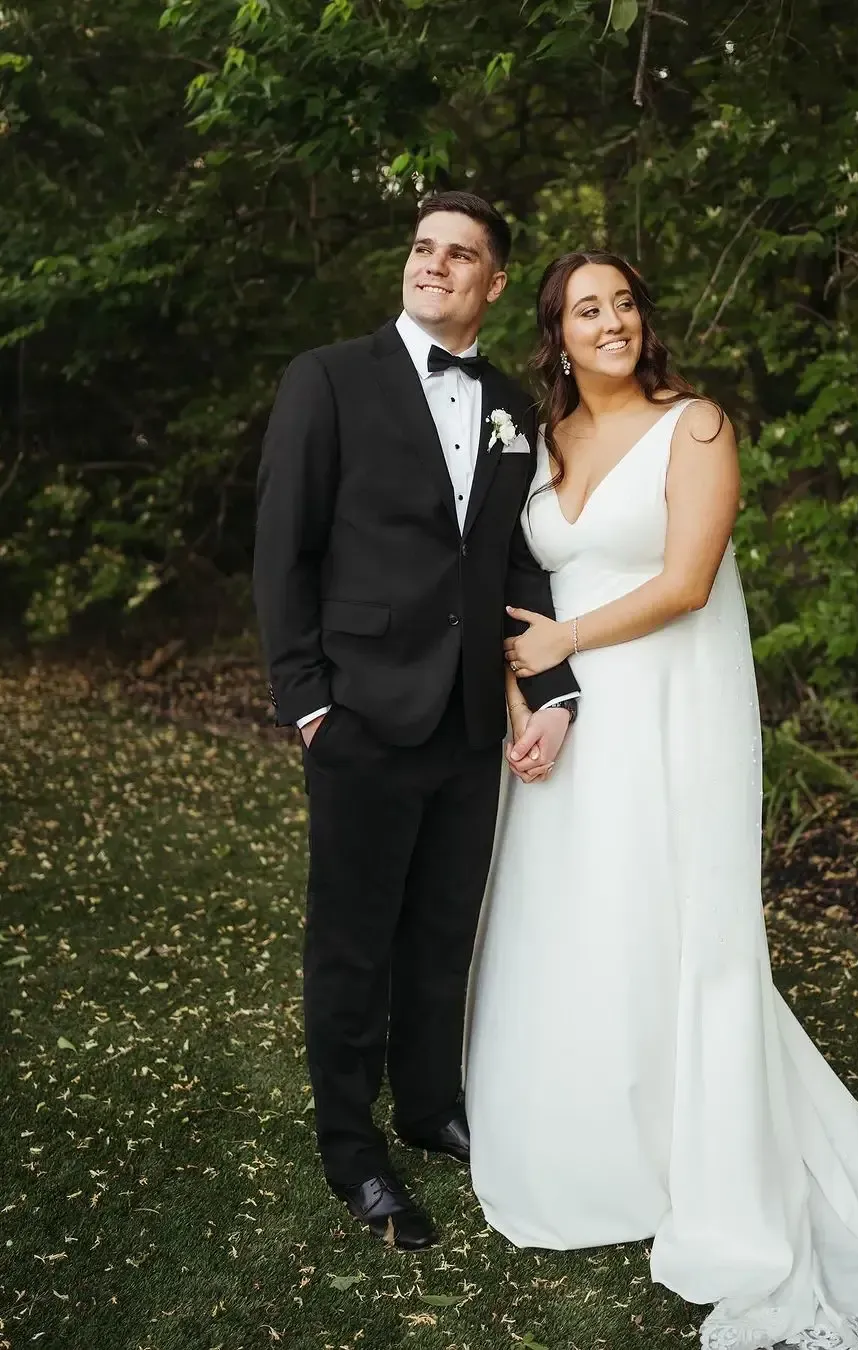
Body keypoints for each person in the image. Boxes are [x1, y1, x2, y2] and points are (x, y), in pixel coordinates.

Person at [465, 250, 858, 1348]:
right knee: (576, 925)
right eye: (586, 309)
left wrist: (568, 641)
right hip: (567, 724)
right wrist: (529, 696)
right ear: (555, 333)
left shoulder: (695, 425)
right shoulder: (542, 440)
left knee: (671, 926)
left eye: (626, 304)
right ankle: (591, 1150)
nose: (612, 321)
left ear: (645, 321)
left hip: (668, 710)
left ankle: (694, 1156)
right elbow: (521, 592)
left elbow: (688, 581)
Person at [252, 192, 579, 1251]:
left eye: (460, 255)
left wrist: (555, 687)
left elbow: (517, 556)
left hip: (470, 718)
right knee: (351, 945)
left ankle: (430, 1106)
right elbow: (282, 551)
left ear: (491, 284)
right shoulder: (329, 379)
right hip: (358, 711)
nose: (434, 265)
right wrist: (308, 701)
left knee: (443, 934)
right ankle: (353, 1150)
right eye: (423, 248)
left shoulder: (514, 407)